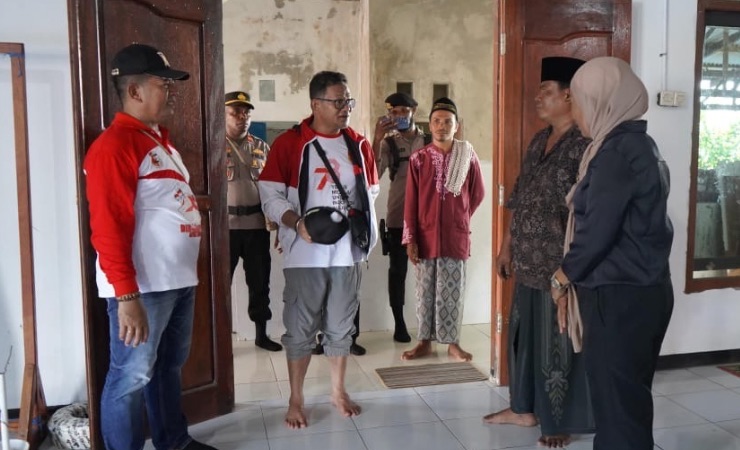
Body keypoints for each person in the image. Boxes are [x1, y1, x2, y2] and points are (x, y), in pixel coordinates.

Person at [84, 43, 217, 450]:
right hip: (142, 289)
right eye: (164, 84)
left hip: (176, 282)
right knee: (130, 377)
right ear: (136, 91)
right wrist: (126, 294)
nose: (170, 93)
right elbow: (107, 226)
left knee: (167, 370)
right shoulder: (114, 146)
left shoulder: (161, 144)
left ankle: (173, 442)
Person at [549, 57, 674, 450]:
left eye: (581, 102)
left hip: (618, 296)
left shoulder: (617, 152)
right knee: (628, 401)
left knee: (618, 409)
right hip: (643, 291)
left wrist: (561, 277)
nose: (577, 112)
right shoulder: (637, 144)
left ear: (604, 102)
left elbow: (597, 232)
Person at [482, 56, 595, 448]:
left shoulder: (585, 144)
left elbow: (588, 212)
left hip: (559, 266)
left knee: (556, 342)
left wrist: (570, 266)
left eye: (546, 91)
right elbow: (520, 199)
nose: (537, 98)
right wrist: (505, 246)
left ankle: (558, 420)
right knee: (522, 339)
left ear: (569, 96)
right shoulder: (536, 140)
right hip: (526, 260)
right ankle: (523, 408)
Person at [258, 70, 379, 429]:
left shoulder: (358, 145)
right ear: (315, 104)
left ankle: (338, 392)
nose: (345, 108)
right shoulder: (291, 144)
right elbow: (269, 194)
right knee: (300, 328)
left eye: (348, 101)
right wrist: (295, 222)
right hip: (304, 254)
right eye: (338, 101)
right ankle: (296, 399)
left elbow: (371, 194)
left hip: (347, 256)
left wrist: (361, 233)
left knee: (341, 327)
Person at [401, 97, 485, 362]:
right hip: (424, 237)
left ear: (456, 126)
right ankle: (424, 341)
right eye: (436, 121)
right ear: (430, 125)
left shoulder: (467, 156)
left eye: (447, 121)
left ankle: (452, 344)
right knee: (425, 292)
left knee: (452, 291)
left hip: (454, 237)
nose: (441, 126)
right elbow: (411, 202)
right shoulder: (419, 159)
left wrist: (458, 219)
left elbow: (478, 193)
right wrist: (411, 238)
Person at [224, 91, 282, 352]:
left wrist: (278, 224)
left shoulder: (261, 146)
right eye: (235, 112)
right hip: (225, 229)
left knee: (260, 282)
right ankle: (220, 337)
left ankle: (261, 333)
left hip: (257, 227)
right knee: (220, 286)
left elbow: (272, 189)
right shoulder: (214, 145)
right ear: (223, 115)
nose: (242, 117)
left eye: (246, 112)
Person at [372, 92, 430, 343]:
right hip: (399, 217)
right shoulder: (388, 144)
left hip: (427, 218)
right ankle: (399, 323)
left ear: (413, 111)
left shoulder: (429, 140)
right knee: (398, 271)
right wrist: (375, 139)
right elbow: (372, 174)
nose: (399, 117)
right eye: (394, 112)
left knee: (429, 272)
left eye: (403, 111)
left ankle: (428, 324)